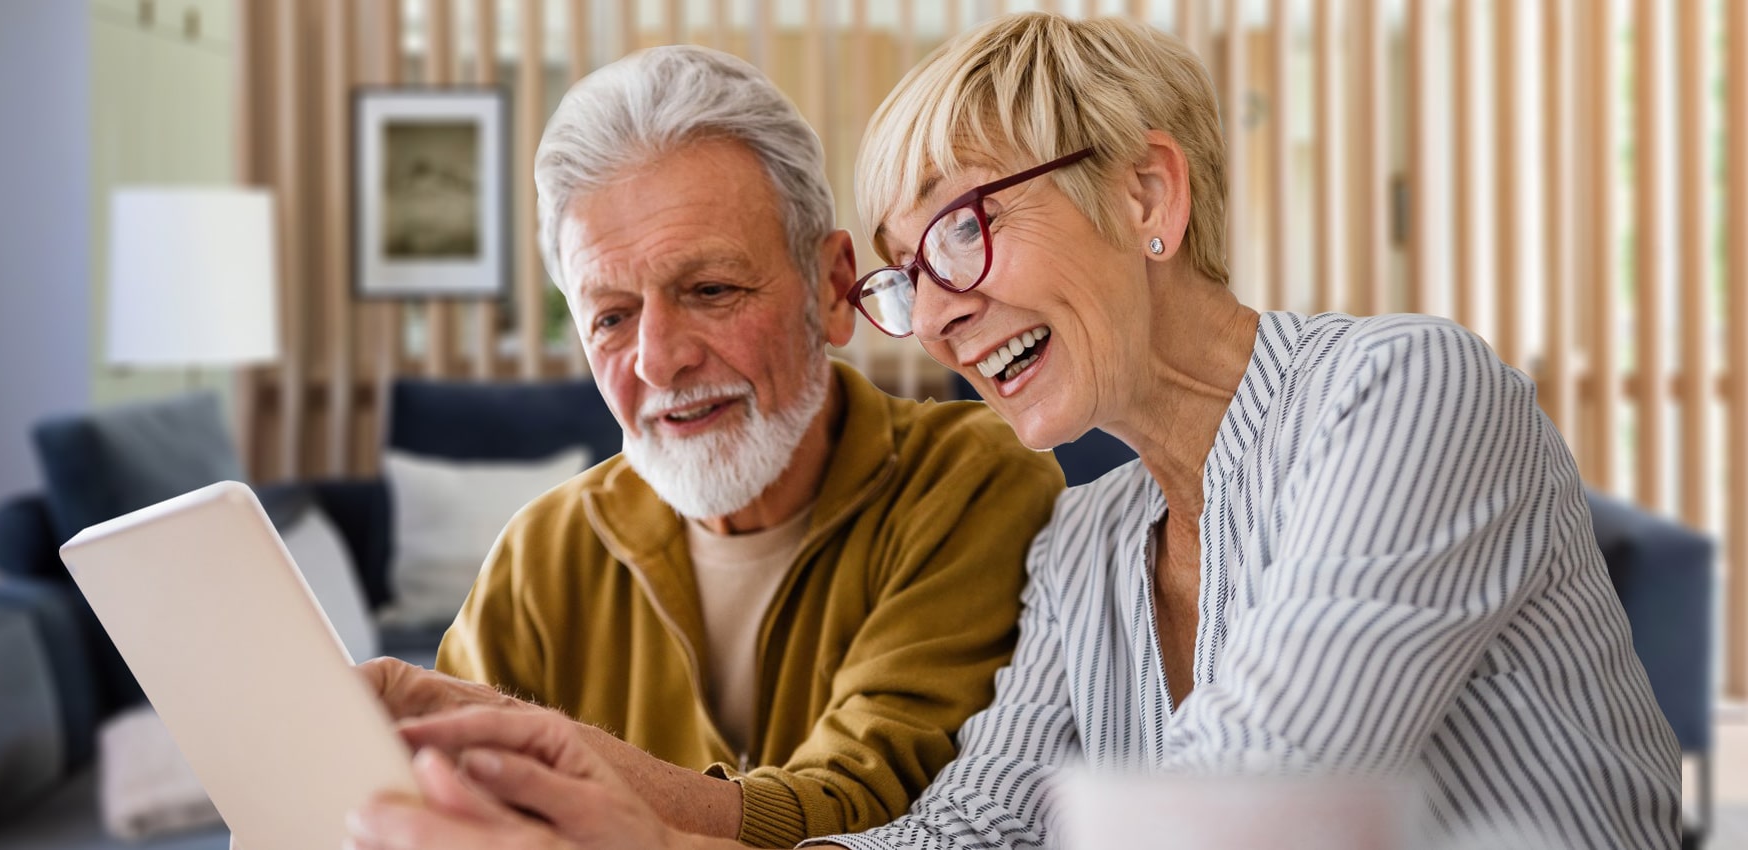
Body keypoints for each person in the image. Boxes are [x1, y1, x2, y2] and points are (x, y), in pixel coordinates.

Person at [342, 13, 1681, 850]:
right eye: (910, 270)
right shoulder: (1091, 535)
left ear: (1148, 192)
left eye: (966, 229)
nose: (934, 314)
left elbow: (1238, 816)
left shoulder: (1401, 396)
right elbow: (964, 833)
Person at [353, 42, 1066, 849]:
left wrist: (537, 751)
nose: (660, 358)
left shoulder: (971, 481)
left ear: (834, 292)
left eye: (712, 291)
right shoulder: (541, 555)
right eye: (612, 317)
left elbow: (879, 806)